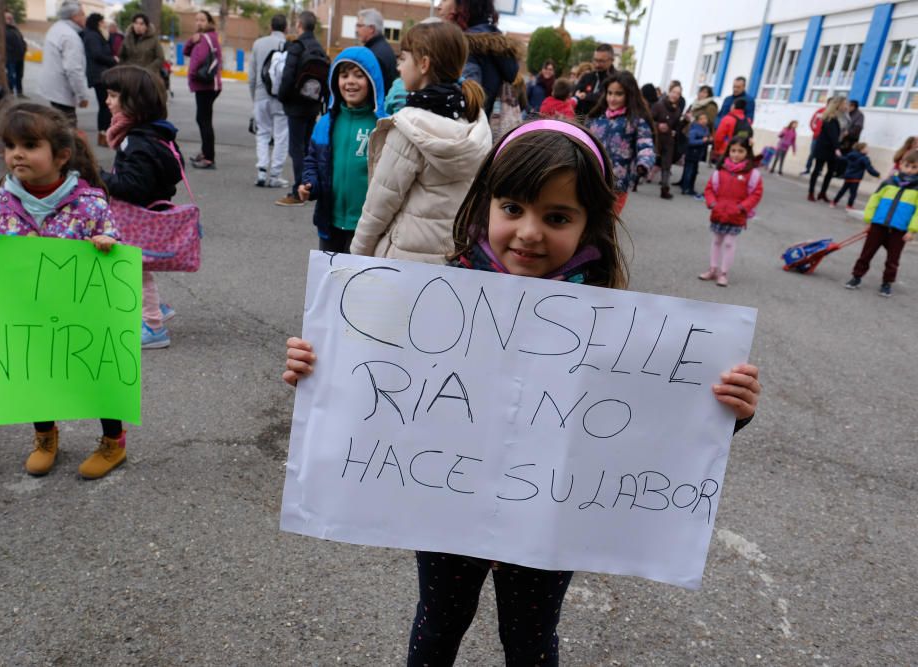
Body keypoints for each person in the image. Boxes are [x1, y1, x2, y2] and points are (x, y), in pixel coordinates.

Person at [284, 119, 762, 665]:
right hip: (447, 507)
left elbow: (660, 419)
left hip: (547, 513)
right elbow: (370, 379)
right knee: (438, 624)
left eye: (556, 217)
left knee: (531, 640)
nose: (530, 232)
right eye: (513, 208)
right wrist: (318, 368)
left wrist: (728, 407)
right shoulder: (437, 296)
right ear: (485, 205)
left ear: (591, 225)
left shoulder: (618, 323)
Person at [0, 103, 125, 479]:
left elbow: (116, 241)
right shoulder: (3, 200)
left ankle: (113, 441)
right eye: (12, 145)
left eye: (30, 145)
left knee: (95, 375)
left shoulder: (88, 202)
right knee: (34, 375)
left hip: (80, 318)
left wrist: (106, 241)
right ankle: (45, 435)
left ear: (61, 155)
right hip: (27, 314)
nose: (17, 153)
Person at [350, 20, 491, 263]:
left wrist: (356, 258)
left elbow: (378, 208)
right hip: (454, 259)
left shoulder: (409, 129)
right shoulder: (475, 126)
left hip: (405, 263)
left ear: (424, 64)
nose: (399, 68)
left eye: (403, 59)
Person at [100, 65, 184, 348]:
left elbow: (133, 187)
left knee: (137, 271)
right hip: (147, 216)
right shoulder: (153, 134)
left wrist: (99, 177)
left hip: (137, 218)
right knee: (138, 268)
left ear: (133, 101)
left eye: (113, 95)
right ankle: (156, 308)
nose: (107, 101)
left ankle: (153, 326)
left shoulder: (137, 141)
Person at [298, 47, 385, 253]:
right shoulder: (326, 123)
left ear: (373, 81)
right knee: (332, 281)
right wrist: (311, 184)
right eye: (344, 75)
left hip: (367, 228)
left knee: (361, 283)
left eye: (359, 75)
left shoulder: (383, 125)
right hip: (330, 222)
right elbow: (313, 160)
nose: (350, 82)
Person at [844, 150, 918, 298]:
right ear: (901, 164)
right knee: (867, 253)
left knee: (893, 259)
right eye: (907, 165)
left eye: (914, 167)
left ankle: (887, 283)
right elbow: (874, 200)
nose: (909, 169)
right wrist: (869, 220)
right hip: (878, 225)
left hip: (899, 230)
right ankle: (856, 276)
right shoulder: (889, 182)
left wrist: (912, 230)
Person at [584, 69, 655, 211]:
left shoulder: (635, 121)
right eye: (610, 93)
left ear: (629, 95)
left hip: (618, 183)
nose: (612, 98)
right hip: (591, 179)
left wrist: (644, 163)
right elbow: (583, 142)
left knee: (606, 224)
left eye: (618, 94)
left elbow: (645, 144)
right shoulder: (596, 119)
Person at [276, 11, 327, 206]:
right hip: (313, 105)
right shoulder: (320, 49)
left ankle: (298, 190)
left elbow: (288, 76)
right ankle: (309, 186)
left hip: (296, 107)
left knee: (296, 149)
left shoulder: (297, 47)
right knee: (307, 147)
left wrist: (283, 97)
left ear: (299, 25)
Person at [437, 0, 520, 117]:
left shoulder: (468, 47)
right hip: (482, 130)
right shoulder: (492, 45)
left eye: (445, 0)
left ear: (463, 6)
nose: (439, 6)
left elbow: (468, 104)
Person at [700, 136, 763, 287]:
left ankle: (723, 273)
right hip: (718, 212)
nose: (736, 154)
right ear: (728, 151)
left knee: (729, 243)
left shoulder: (752, 174)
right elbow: (709, 189)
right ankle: (712, 269)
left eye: (740, 151)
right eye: (733, 150)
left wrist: (742, 207)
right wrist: (712, 203)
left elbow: (756, 193)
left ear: (747, 152)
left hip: (736, 215)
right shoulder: (720, 171)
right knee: (716, 241)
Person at [248, 14, 289, 188]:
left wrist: (254, 97)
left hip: (260, 95)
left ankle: (261, 171)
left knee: (262, 133)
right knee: (281, 136)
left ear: (270, 27)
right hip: (280, 97)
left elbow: (251, 75)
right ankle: (275, 176)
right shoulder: (288, 45)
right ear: (285, 28)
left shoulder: (258, 44)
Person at [183, 10, 222, 170]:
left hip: (206, 85)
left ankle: (209, 158)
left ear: (209, 22)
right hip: (207, 85)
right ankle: (206, 153)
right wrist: (192, 40)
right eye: (197, 20)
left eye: (202, 20)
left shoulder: (207, 38)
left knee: (204, 120)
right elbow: (186, 51)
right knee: (203, 119)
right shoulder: (205, 37)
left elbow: (197, 60)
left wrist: (191, 76)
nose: (199, 23)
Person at [41, 1, 89, 125]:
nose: (85, 17)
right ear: (74, 16)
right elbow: (73, 69)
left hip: (54, 91)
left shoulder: (56, 28)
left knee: (58, 129)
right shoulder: (70, 36)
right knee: (67, 133)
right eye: (83, 14)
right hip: (62, 93)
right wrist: (82, 96)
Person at [82, 13, 116, 147]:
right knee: (105, 107)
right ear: (97, 23)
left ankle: (104, 136)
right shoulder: (92, 36)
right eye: (102, 21)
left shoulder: (96, 35)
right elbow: (97, 54)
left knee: (105, 106)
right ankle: (104, 136)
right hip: (99, 76)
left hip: (100, 75)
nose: (104, 24)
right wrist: (113, 61)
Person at [808, 96, 847, 203]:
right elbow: (832, 136)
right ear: (838, 105)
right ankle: (811, 193)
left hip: (831, 149)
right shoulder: (830, 118)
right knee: (817, 170)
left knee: (830, 172)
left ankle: (822, 193)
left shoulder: (839, 117)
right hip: (823, 148)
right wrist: (837, 148)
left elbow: (838, 134)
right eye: (844, 104)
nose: (846, 106)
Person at [650, 82, 684, 199]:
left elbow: (676, 125)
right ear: (669, 92)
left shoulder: (678, 109)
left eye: (678, 93)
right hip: (656, 138)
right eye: (674, 92)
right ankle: (636, 179)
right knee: (649, 160)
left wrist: (679, 126)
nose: (675, 95)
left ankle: (665, 189)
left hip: (669, 140)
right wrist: (658, 125)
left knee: (667, 164)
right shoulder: (659, 105)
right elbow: (649, 120)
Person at [356, 9, 396, 95]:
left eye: (359, 26)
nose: (356, 30)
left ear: (371, 29)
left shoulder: (374, 55)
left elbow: (370, 90)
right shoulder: (381, 48)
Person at [832, 143, 880, 210]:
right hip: (855, 178)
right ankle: (849, 205)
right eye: (866, 148)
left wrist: (839, 156)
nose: (868, 149)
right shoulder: (864, 158)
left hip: (848, 176)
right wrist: (877, 174)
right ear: (861, 149)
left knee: (842, 190)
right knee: (853, 193)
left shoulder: (851, 155)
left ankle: (834, 202)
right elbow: (869, 168)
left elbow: (843, 159)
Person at [573, 43, 616, 117]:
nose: (597, 64)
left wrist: (586, 96)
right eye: (595, 60)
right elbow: (575, 93)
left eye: (601, 61)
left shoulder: (616, 79)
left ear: (611, 60)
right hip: (581, 120)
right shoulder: (587, 76)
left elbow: (605, 97)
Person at [119, 13, 164, 78]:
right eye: (136, 23)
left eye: (141, 24)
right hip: (129, 77)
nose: (138, 26)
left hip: (148, 77)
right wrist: (125, 69)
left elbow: (160, 58)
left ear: (146, 26)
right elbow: (121, 57)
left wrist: (147, 70)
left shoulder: (154, 40)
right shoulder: (127, 39)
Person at [680, 112, 711, 197]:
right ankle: (685, 188)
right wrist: (702, 141)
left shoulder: (706, 129)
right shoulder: (694, 129)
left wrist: (709, 140)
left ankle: (690, 188)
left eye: (705, 119)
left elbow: (706, 139)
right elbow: (691, 141)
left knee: (694, 172)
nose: (704, 121)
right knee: (689, 171)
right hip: (691, 153)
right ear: (697, 121)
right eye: (701, 119)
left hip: (698, 154)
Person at [712, 97, 751, 162]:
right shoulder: (747, 120)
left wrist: (716, 149)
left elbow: (719, 137)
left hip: (725, 150)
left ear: (733, 106)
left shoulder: (727, 119)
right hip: (740, 150)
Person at [5, 11, 27, 98]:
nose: (9, 19)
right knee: (11, 75)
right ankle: (10, 92)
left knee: (19, 75)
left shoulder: (15, 29)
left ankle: (19, 92)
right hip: (10, 57)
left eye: (10, 18)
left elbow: (22, 40)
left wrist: (24, 48)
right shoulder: (2, 29)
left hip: (20, 56)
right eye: (7, 18)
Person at [801, 101, 826, 175]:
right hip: (816, 136)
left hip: (825, 139)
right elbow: (813, 122)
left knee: (822, 155)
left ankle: (819, 170)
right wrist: (816, 130)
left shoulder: (834, 114)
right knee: (812, 153)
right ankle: (807, 169)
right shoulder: (821, 111)